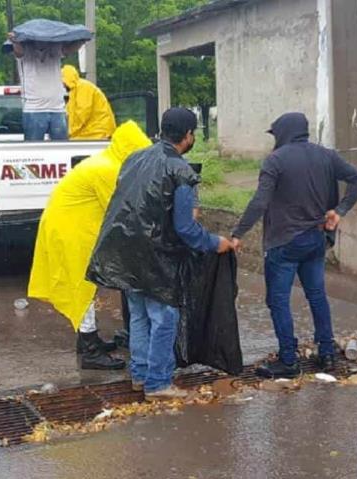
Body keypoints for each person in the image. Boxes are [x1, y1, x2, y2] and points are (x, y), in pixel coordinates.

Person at [87, 108, 234, 399]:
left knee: (139, 316)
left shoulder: (135, 158)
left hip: (127, 253)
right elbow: (186, 229)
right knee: (164, 318)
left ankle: (140, 377)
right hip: (157, 259)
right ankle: (158, 383)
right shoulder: (181, 170)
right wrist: (217, 242)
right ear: (189, 136)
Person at [231, 112, 357, 379]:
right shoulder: (326, 155)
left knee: (278, 300)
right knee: (316, 295)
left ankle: (289, 361)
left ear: (282, 133)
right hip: (316, 240)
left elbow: (260, 201)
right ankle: (326, 354)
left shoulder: (275, 161)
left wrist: (238, 233)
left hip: (283, 243)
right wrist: (339, 211)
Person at [28, 122, 152, 370]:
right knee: (81, 287)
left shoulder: (107, 161)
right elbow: (121, 212)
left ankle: (89, 339)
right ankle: (90, 350)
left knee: (86, 286)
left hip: (70, 226)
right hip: (70, 232)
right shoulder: (108, 169)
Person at [9, 33, 84, 141]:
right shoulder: (26, 50)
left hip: (58, 108)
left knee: (61, 151)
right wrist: (15, 41)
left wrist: (81, 40)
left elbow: (68, 50)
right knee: (34, 152)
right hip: (34, 109)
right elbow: (19, 52)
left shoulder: (54, 48)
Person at [61, 65, 116, 140]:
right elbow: (70, 113)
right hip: (91, 131)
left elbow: (83, 112)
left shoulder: (83, 87)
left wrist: (70, 132)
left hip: (98, 132)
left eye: (62, 81)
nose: (62, 85)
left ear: (66, 79)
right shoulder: (75, 90)